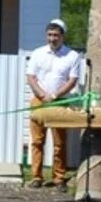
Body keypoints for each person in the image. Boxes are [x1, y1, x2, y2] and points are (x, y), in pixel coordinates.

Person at [25, 18, 83, 189]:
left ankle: (59, 178)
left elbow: (72, 81)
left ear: (63, 36)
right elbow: (31, 77)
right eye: (49, 35)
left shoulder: (72, 56)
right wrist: (41, 94)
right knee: (37, 141)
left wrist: (56, 95)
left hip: (60, 101)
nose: (52, 38)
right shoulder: (37, 53)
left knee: (59, 143)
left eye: (56, 35)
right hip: (39, 100)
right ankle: (36, 177)